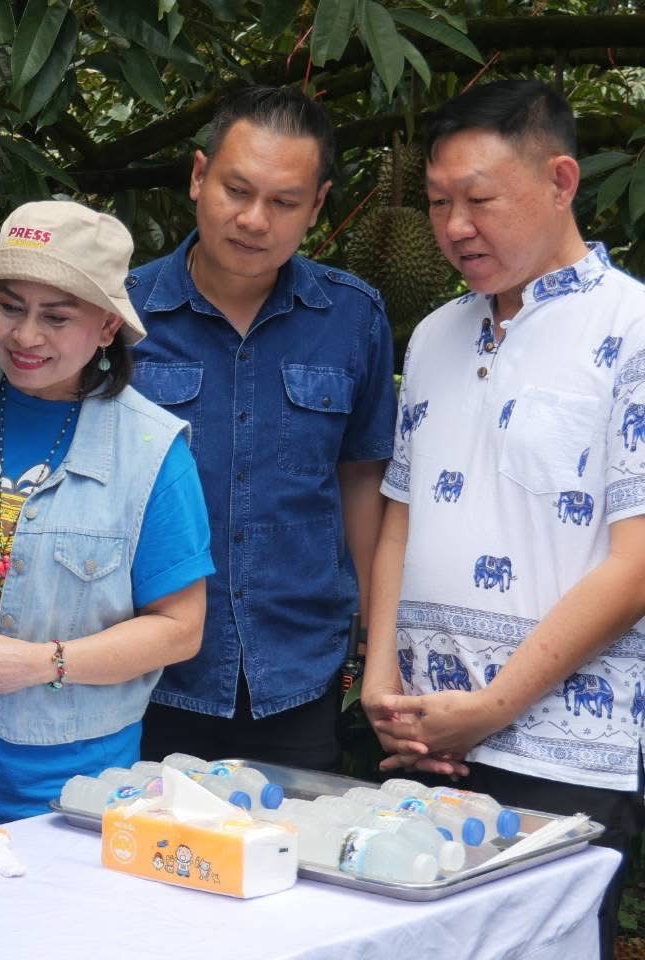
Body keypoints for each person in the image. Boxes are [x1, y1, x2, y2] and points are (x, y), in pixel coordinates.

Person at [361, 79, 645, 960]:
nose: (453, 227)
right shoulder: (435, 334)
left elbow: (637, 562)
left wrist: (492, 707)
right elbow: (398, 519)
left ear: (562, 180)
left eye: (480, 200)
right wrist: (377, 680)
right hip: (421, 734)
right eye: (440, 202)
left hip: (567, 749)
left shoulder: (633, 326)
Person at [0, 200, 212, 839]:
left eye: (56, 317)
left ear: (104, 328)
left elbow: (181, 629)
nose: (25, 336)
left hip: (65, 798)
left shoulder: (152, 452)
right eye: (9, 306)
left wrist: (44, 662)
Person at [128, 86, 396, 771]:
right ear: (197, 177)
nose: (253, 220)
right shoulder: (120, 316)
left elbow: (361, 477)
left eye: (283, 202)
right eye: (236, 190)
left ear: (317, 206)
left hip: (298, 671)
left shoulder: (353, 318)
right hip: (145, 669)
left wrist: (374, 635)